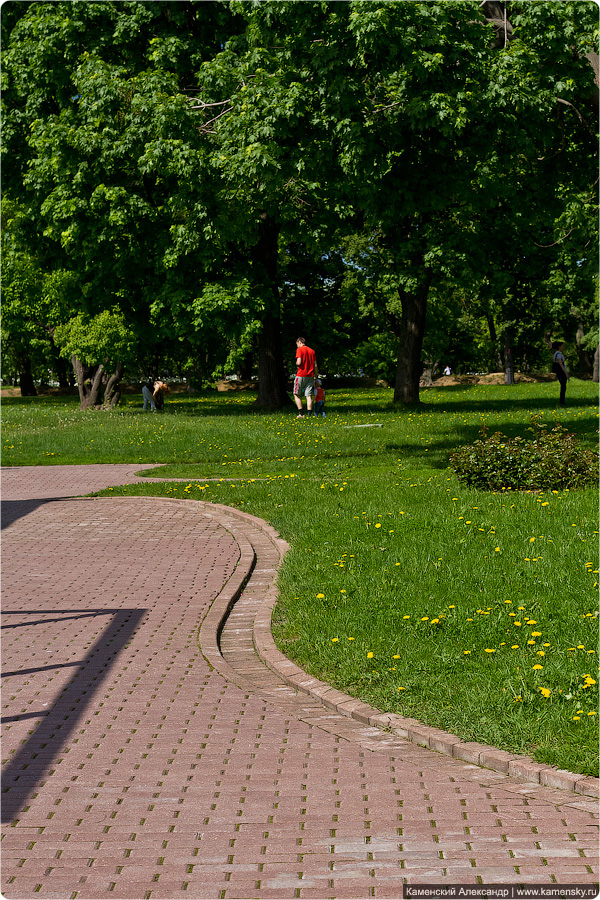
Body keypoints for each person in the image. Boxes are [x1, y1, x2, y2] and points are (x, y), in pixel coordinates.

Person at [293, 337, 318, 417]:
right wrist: (316, 377)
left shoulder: (299, 350)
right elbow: (315, 365)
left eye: (297, 344)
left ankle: (301, 413)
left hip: (300, 375)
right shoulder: (312, 351)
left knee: (296, 394)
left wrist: (296, 363)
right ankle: (309, 414)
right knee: (308, 395)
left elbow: (299, 362)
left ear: (299, 342)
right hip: (310, 375)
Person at [545, 334, 569, 406]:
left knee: (563, 387)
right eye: (562, 346)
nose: (563, 347)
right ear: (559, 347)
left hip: (559, 372)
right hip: (561, 372)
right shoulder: (558, 354)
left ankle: (562, 401)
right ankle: (562, 402)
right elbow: (561, 364)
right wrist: (566, 373)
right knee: (563, 387)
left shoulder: (556, 353)